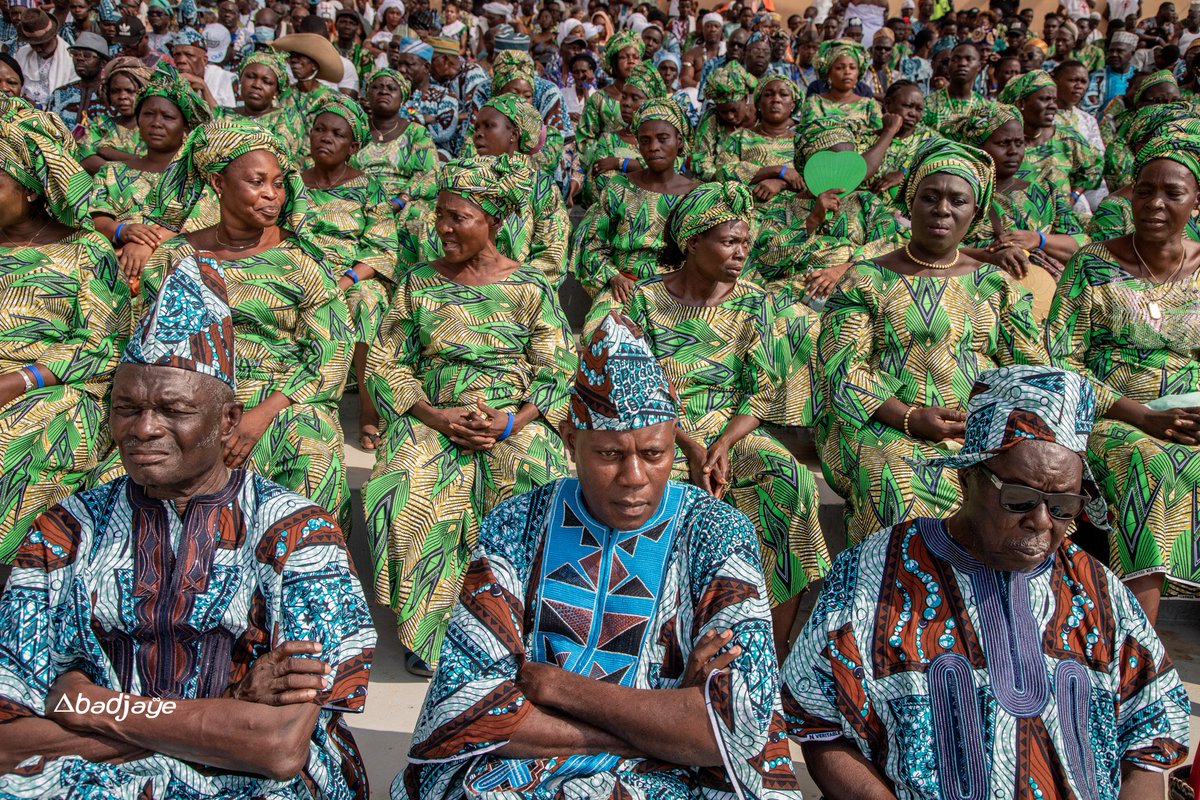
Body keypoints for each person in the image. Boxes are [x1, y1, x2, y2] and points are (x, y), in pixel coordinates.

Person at [0, 249, 376, 798]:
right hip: (91, 776)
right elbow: (9, 736)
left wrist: (90, 704)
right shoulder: (66, 531)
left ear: (227, 421)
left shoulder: (298, 534)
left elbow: (275, 746)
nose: (144, 429)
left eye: (173, 411)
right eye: (126, 408)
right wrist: (226, 715)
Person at [401, 311, 805, 800]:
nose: (634, 477)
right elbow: (467, 709)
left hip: (670, 781)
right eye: (610, 455)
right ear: (571, 443)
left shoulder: (717, 531)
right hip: (531, 776)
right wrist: (663, 713)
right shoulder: (516, 525)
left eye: (654, 454)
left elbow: (732, 727)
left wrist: (554, 686)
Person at [783, 364, 1191, 800]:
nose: (1040, 522)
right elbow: (817, 724)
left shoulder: (1096, 588)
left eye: (1063, 506)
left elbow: (1149, 739)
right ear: (967, 478)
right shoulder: (876, 573)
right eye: (1019, 499)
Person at [363, 155, 576, 677]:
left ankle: (514, 623)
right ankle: (426, 631)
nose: (443, 227)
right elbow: (385, 360)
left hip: (512, 417)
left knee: (536, 479)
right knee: (406, 480)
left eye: (458, 217)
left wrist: (512, 422)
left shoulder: (531, 286)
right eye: (440, 215)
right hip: (434, 410)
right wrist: (434, 416)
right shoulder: (417, 283)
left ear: (493, 223)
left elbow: (558, 364)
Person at [622, 181, 830, 653]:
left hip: (734, 430)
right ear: (693, 242)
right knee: (646, 482)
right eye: (729, 241)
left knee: (789, 485)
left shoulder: (757, 302)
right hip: (660, 428)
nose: (741, 253)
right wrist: (691, 446)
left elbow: (764, 391)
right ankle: (653, 644)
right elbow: (634, 387)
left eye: (745, 242)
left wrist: (721, 445)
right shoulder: (644, 302)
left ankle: (769, 656)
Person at [817, 137, 1048, 545]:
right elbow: (843, 370)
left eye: (957, 201)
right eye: (930, 197)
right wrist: (909, 417)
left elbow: (1031, 370)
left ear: (974, 212)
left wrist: (991, 426)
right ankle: (894, 599)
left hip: (980, 431)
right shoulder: (867, 278)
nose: (942, 209)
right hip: (884, 425)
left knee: (1013, 491)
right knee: (898, 484)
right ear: (910, 204)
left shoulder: (995, 284)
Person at [128, 117, 354, 530]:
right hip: (188, 395)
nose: (272, 195)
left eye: (279, 183)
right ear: (218, 184)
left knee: (313, 460)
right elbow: (147, 347)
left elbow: (332, 349)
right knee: (127, 473)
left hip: (283, 396)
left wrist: (258, 417)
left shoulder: (301, 260)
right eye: (257, 182)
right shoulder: (176, 257)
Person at [1047, 132, 1200, 622]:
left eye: (1172, 193)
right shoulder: (1092, 265)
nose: (1155, 203)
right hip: (1113, 416)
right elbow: (1061, 360)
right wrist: (1139, 415)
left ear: (1197, 202)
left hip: (1193, 412)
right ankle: (1140, 644)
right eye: (1144, 190)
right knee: (1150, 463)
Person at [0, 115, 129, 563]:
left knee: (14, 442)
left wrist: (20, 380)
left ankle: (25, 574)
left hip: (58, 389)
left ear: (30, 188)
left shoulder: (82, 250)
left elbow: (104, 344)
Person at [302, 93, 397, 454]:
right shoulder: (292, 183)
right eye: (320, 129)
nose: (326, 137)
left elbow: (382, 249)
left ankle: (368, 411)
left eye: (337, 134)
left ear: (353, 145)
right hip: (299, 269)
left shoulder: (369, 187)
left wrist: (345, 280)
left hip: (352, 276)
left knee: (367, 303)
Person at [947, 102, 1087, 320]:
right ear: (976, 147)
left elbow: (1080, 247)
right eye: (1003, 143)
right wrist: (987, 256)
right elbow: (931, 251)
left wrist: (1039, 239)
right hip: (975, 307)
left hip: (1045, 309)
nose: (1013, 151)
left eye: (1019, 143)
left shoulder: (1045, 193)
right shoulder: (957, 195)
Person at [90, 65, 216, 282]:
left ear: (185, 126)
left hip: (178, 279)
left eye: (168, 117)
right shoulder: (111, 172)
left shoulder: (198, 176)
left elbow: (200, 226)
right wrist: (122, 231)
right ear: (138, 120)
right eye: (148, 114)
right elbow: (96, 218)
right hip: (114, 273)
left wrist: (144, 245)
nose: (156, 123)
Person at [576, 98, 696, 318]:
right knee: (606, 341)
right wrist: (613, 276)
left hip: (679, 294)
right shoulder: (618, 188)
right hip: (624, 288)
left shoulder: (696, 195)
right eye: (645, 140)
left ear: (679, 140)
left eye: (662, 139)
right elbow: (591, 246)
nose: (654, 147)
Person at [999, 69, 1101, 211]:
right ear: (1021, 103)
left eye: (1054, 100)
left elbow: (1093, 168)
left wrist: (1074, 196)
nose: (1053, 106)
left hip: (1061, 225)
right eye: (1045, 99)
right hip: (1012, 223)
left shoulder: (1067, 139)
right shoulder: (1000, 143)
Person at [351, 66, 438, 232]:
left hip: (404, 202)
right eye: (376, 87)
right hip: (360, 199)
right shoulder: (356, 132)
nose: (384, 91)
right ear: (367, 94)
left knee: (419, 217)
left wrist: (399, 201)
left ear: (402, 97)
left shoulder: (416, 132)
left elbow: (428, 174)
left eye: (391, 88)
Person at [713, 73, 802, 224]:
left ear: (792, 105)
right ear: (759, 104)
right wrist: (778, 170)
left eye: (784, 95)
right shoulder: (740, 137)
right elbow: (723, 173)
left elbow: (813, 180)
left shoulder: (802, 142)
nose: (776, 99)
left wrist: (780, 183)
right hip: (746, 217)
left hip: (793, 219)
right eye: (768, 94)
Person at [799, 39, 882, 151]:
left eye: (852, 67)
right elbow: (809, 138)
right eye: (839, 68)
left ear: (858, 72)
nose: (847, 72)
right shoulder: (815, 103)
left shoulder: (870, 105)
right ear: (829, 72)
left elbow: (879, 141)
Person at [226, 49, 306, 160]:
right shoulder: (222, 114)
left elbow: (275, 161)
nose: (257, 85)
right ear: (241, 79)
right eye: (251, 76)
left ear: (276, 91)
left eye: (267, 82)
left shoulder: (286, 119)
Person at [76, 56, 149, 174]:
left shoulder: (152, 129)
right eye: (115, 91)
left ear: (144, 91)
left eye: (130, 91)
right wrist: (137, 162)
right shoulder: (100, 125)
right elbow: (88, 162)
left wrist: (107, 152)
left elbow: (154, 164)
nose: (122, 97)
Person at [578, 28, 642, 153]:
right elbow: (586, 138)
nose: (631, 61)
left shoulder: (650, 98)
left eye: (636, 57)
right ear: (614, 63)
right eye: (624, 57)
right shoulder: (599, 98)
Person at [690, 60, 755, 181]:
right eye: (723, 112)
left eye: (733, 110)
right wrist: (723, 180)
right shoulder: (712, 118)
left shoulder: (760, 117)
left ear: (745, 98)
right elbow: (700, 162)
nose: (729, 116)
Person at [395, 36, 458, 156]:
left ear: (426, 68)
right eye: (400, 64)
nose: (402, 70)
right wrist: (424, 119)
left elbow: (444, 132)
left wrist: (405, 123)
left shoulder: (446, 96)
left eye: (409, 65)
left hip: (436, 155)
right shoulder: (394, 94)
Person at [46, 30, 109, 131]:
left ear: (103, 63)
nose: (79, 58)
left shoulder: (111, 95)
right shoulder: (60, 94)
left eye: (87, 55)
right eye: (75, 54)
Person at [14, 8, 74, 108]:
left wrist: (39, 108)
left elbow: (70, 99)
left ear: (53, 36)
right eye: (33, 44)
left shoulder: (70, 58)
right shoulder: (22, 53)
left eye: (42, 44)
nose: (38, 49)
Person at [922, 40, 986, 131]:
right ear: (949, 64)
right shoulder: (928, 104)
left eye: (969, 59)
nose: (962, 63)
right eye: (955, 59)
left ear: (979, 66)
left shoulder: (985, 108)